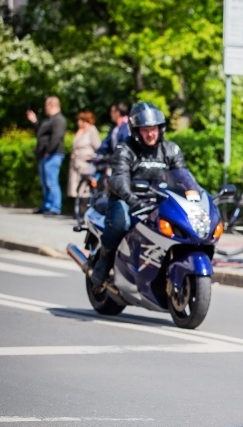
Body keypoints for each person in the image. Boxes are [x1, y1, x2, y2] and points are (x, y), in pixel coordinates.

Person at [90, 102, 186, 288]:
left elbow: (182, 177)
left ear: (160, 129)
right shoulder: (125, 149)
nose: (150, 134)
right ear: (136, 131)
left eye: (154, 129)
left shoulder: (170, 150)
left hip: (159, 200)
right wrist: (132, 199)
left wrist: (194, 195)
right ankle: (104, 261)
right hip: (127, 199)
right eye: (145, 130)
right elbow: (119, 178)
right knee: (121, 223)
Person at [26, 96, 67, 216]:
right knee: (45, 182)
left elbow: (57, 137)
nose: (45, 108)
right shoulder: (49, 120)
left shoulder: (59, 120)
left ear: (51, 105)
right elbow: (41, 133)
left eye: (46, 105)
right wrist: (34, 121)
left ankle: (55, 207)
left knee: (51, 181)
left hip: (53, 154)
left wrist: (49, 150)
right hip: (45, 155)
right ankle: (47, 205)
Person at [67, 110, 101, 201]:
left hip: (86, 163)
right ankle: (78, 205)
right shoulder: (80, 131)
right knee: (77, 189)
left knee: (85, 189)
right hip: (76, 164)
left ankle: (85, 205)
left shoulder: (92, 130)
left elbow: (98, 147)